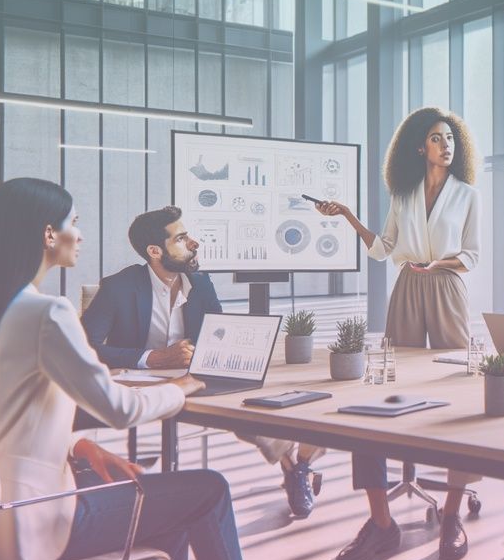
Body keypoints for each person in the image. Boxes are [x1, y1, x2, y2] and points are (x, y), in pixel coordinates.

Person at [0, 178, 292, 560]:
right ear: (45, 236)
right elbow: (119, 407)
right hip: (30, 528)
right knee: (207, 491)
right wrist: (183, 386)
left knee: (163, 494)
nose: (79, 235)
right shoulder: (44, 313)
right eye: (73, 224)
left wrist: (78, 446)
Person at [314, 106, 482, 560]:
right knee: (386, 392)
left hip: (446, 286)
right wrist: (347, 215)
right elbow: (383, 249)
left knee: (458, 396)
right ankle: (381, 523)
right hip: (406, 284)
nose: (445, 145)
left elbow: (471, 255)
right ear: (419, 146)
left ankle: (451, 515)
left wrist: (438, 265)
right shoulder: (403, 194)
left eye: (450, 138)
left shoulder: (467, 194)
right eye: (436, 137)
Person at [81, 206, 325, 518]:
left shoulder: (201, 284)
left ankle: (295, 466)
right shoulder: (119, 286)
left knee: (253, 407)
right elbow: (84, 344)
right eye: (181, 238)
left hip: (196, 379)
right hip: (143, 385)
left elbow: (217, 333)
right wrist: (151, 358)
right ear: (155, 251)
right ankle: (297, 467)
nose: (194, 243)